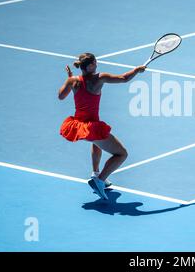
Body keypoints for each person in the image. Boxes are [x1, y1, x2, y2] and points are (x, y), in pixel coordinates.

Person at [58, 52, 146, 199]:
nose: (97, 65)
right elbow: (124, 78)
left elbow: (61, 96)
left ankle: (96, 173)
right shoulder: (100, 78)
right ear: (90, 65)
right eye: (95, 63)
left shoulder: (73, 81)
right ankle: (99, 181)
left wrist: (69, 81)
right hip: (91, 127)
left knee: (96, 142)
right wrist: (136, 70)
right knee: (122, 154)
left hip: (78, 126)